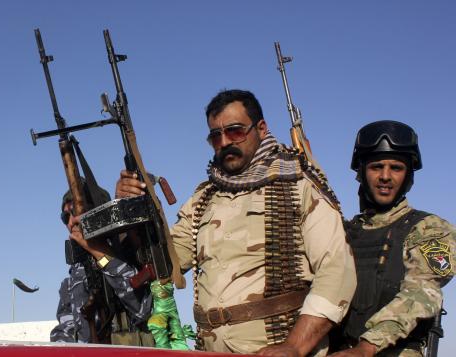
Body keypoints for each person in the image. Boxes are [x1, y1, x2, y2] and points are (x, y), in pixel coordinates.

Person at [116, 89, 356, 356]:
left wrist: (294, 345)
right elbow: (165, 264)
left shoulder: (298, 185)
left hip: (277, 348)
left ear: (261, 129)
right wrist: (132, 211)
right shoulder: (203, 198)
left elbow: (337, 272)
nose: (225, 141)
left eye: (235, 131)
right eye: (215, 136)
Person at [330, 120, 455, 357]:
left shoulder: (429, 229)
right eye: (376, 167)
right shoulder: (341, 231)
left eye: (396, 168)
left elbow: (423, 293)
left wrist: (366, 348)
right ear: (362, 173)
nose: (385, 176)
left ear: (408, 175)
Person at [50, 184, 154, 346]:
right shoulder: (74, 276)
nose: (71, 222)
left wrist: (101, 254)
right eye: (65, 217)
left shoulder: (129, 252)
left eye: (76, 213)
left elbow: (143, 311)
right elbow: (66, 325)